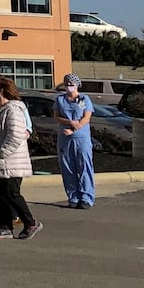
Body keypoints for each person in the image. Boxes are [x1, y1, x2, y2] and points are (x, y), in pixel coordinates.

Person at [0, 75, 41, 240]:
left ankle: (30, 222)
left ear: (1, 90)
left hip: (10, 161)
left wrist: (3, 152)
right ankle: (5, 227)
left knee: (11, 193)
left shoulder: (13, 109)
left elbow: (16, 135)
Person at [55, 74, 97, 209]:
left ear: (77, 85)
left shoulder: (82, 99)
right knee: (68, 167)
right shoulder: (60, 100)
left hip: (81, 138)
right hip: (64, 139)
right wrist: (68, 122)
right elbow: (56, 117)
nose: (69, 86)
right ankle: (73, 197)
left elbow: (86, 117)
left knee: (84, 166)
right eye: (67, 84)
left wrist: (73, 129)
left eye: (72, 84)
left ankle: (86, 197)